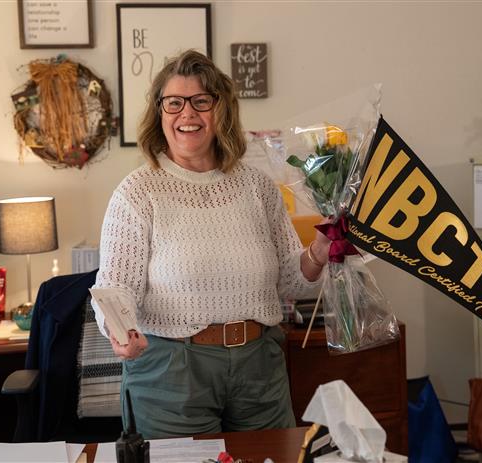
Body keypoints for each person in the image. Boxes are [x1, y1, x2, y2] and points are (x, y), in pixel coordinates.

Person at [92, 49, 331, 439]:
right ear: (160, 113)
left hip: (260, 367)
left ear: (222, 111)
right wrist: (118, 328)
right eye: (174, 103)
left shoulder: (257, 187)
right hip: (173, 372)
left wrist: (319, 252)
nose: (187, 114)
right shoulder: (137, 192)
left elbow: (291, 280)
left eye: (202, 101)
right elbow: (116, 286)